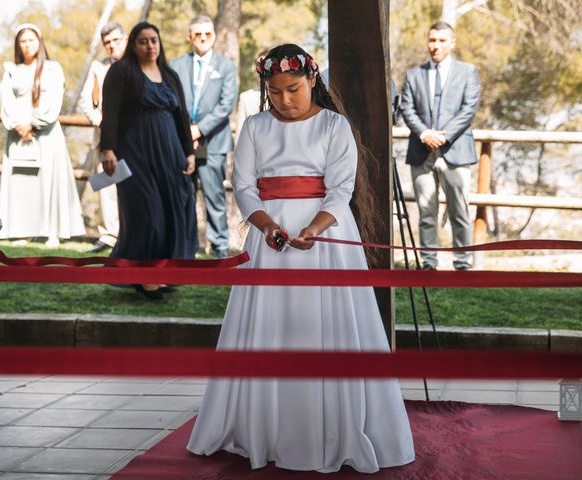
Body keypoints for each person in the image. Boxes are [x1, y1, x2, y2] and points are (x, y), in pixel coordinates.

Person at [187, 43, 415, 473]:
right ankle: (263, 429)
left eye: (293, 89)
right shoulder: (255, 126)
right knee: (270, 328)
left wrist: (314, 228)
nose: (284, 100)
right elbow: (246, 187)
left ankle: (336, 426)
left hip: (325, 237)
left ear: (312, 80)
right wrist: (268, 226)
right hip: (270, 239)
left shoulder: (334, 126)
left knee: (327, 326)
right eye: (274, 93)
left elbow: (341, 189)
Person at [99, 22, 198, 300]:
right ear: (133, 45)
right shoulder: (121, 72)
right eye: (143, 41)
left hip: (170, 154)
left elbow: (182, 117)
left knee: (171, 211)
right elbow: (111, 113)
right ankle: (144, 275)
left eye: (154, 40)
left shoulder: (170, 75)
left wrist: (189, 152)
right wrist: (107, 149)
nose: (150, 46)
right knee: (147, 212)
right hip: (135, 154)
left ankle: (163, 271)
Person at [400, 21, 480, 270]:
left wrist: (444, 136)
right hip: (421, 151)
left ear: (452, 43)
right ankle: (428, 263)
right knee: (426, 210)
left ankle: (463, 263)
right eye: (432, 40)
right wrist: (424, 134)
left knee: (460, 211)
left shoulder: (468, 72)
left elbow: (469, 108)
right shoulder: (414, 74)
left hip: (455, 151)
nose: (436, 45)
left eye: (442, 40)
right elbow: (406, 107)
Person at [0, 23, 85, 247]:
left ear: (40, 41)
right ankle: (22, 230)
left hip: (46, 133)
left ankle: (52, 232)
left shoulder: (52, 68)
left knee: (49, 180)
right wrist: (18, 124)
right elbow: (7, 100)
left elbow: (53, 100)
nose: (27, 45)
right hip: (18, 134)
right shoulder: (11, 69)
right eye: (23, 41)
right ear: (18, 44)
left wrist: (34, 122)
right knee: (22, 183)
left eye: (31, 40)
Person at [170, 15, 237, 259]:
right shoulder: (176, 65)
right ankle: (186, 248)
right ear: (189, 37)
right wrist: (185, 132)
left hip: (214, 141)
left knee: (214, 198)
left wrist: (199, 130)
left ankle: (219, 249)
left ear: (214, 36)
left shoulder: (226, 66)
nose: (202, 38)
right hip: (181, 143)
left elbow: (227, 103)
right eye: (197, 34)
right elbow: (171, 100)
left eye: (207, 34)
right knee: (183, 197)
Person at [79, 22, 126, 253]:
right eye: (107, 42)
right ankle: (109, 235)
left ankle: (130, 234)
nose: (112, 45)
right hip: (105, 139)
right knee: (107, 189)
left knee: (133, 187)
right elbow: (85, 101)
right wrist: (99, 118)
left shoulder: (137, 65)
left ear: (125, 39)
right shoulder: (98, 67)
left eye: (116, 40)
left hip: (133, 139)